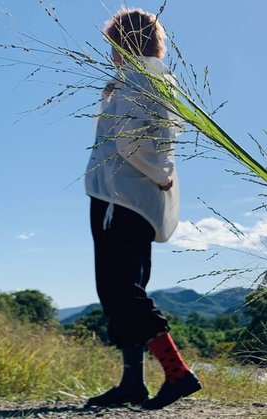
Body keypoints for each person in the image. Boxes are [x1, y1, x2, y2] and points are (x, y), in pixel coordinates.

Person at [83, 8, 200, 411]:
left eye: (114, 43)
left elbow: (132, 144)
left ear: (123, 42)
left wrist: (162, 175)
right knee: (121, 289)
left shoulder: (137, 80)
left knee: (121, 289)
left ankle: (177, 373)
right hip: (132, 198)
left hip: (121, 197)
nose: (111, 52)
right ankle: (132, 383)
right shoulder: (145, 79)